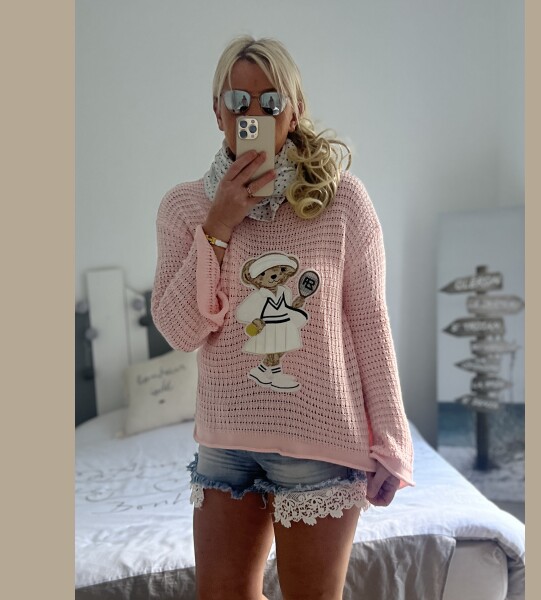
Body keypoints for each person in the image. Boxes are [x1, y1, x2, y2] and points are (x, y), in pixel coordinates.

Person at [151, 35, 414, 600]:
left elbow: (370, 322)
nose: (254, 114)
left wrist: (393, 440)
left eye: (271, 102)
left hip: (320, 441)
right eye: (238, 101)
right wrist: (218, 224)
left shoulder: (343, 201)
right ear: (217, 112)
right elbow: (178, 330)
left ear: (294, 113)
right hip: (225, 442)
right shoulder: (184, 207)